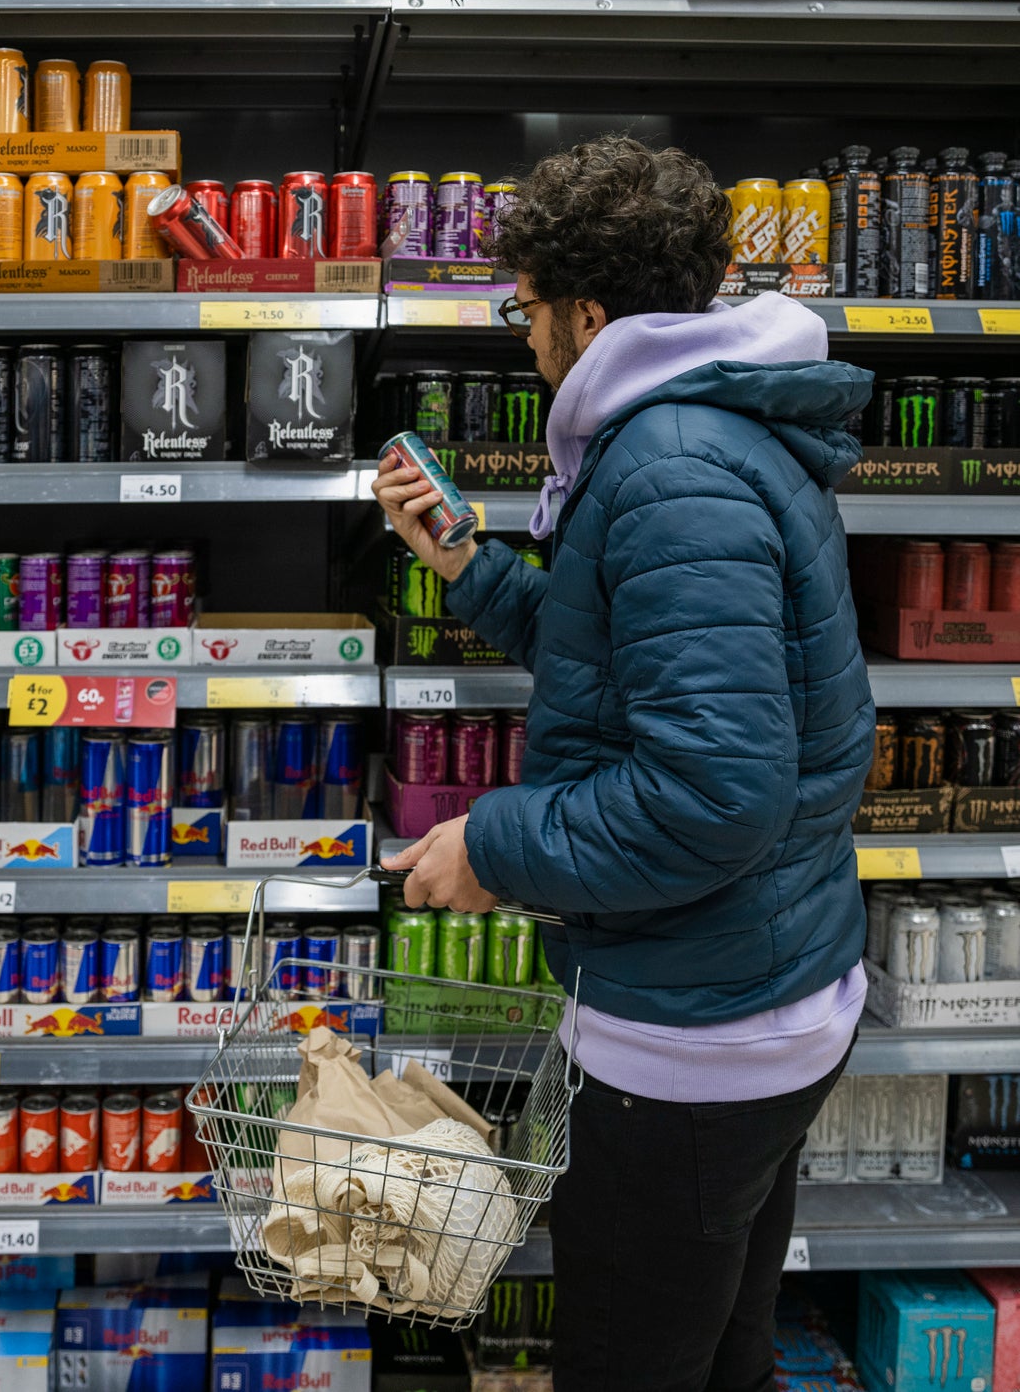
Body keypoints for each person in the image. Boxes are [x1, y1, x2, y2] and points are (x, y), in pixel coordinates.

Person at [374, 135, 874, 1392]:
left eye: (527, 307)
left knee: (631, 1364)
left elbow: (713, 792)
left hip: (699, 1043)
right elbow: (630, 658)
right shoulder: (700, 435)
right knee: (724, 1356)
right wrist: (473, 569)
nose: (523, 334)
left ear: (588, 314)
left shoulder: (665, 469)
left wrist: (490, 845)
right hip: (757, 994)